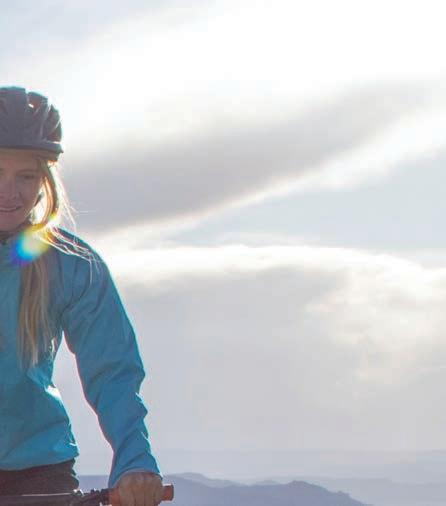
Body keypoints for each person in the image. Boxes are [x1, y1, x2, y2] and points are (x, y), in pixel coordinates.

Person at [0, 86, 164, 506]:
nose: (9, 192)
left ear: (44, 181)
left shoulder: (71, 264)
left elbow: (112, 370)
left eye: (25, 176)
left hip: (37, 472)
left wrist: (135, 461)